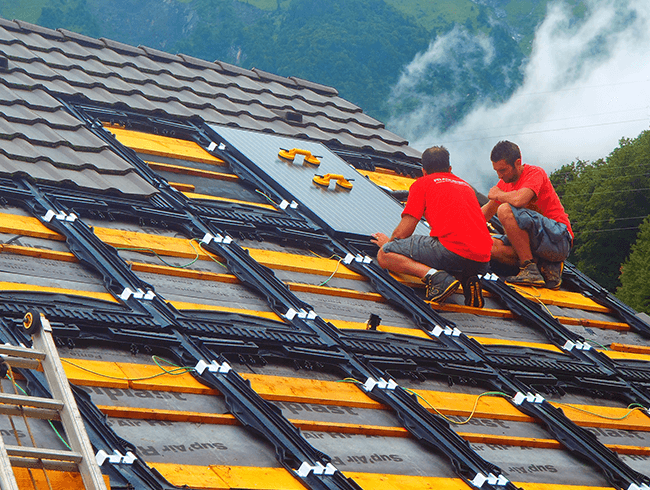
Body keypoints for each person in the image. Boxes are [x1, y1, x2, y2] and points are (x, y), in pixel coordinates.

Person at [371, 146, 492, 307]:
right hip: (483, 260)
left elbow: (404, 231)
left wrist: (389, 244)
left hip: (452, 252)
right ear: (449, 169)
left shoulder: (423, 184)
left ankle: (436, 278)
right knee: (444, 247)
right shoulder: (466, 187)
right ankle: (466, 277)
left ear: (424, 171)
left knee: (384, 255)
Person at [481, 140, 573, 289]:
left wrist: (498, 195)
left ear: (518, 163)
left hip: (559, 240)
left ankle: (529, 268)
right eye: (496, 171)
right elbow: (483, 214)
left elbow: (519, 200)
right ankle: (542, 264)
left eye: (503, 170)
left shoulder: (535, 173)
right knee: (485, 245)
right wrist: (456, 231)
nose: (499, 176)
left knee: (504, 210)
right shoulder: (505, 184)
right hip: (535, 244)